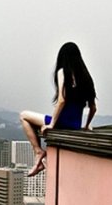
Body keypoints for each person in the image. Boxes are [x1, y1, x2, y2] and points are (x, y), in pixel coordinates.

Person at [20, 42, 97, 176]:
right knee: (31, 118)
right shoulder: (86, 77)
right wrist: (86, 126)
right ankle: (40, 155)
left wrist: (51, 124)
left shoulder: (63, 72)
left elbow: (62, 100)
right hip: (75, 125)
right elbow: (93, 107)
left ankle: (38, 152)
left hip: (61, 122)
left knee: (24, 116)